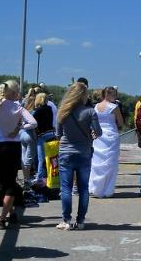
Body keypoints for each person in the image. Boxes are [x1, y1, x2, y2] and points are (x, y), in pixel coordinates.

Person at [0, 80, 37, 230]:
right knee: (11, 182)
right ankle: (3, 217)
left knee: (3, 181)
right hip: (13, 146)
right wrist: (19, 127)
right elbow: (33, 123)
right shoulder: (18, 107)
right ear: (13, 93)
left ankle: (8, 214)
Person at [55, 82, 102, 230]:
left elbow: (58, 134)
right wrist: (90, 134)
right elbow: (98, 132)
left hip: (66, 153)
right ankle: (80, 221)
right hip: (84, 153)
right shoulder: (90, 112)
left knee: (66, 188)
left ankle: (66, 221)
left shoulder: (62, 111)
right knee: (83, 189)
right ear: (83, 96)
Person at [89, 86, 124, 197]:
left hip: (98, 136)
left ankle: (95, 188)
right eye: (114, 94)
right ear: (108, 94)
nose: (115, 97)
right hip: (111, 135)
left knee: (97, 161)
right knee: (110, 163)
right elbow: (121, 123)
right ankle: (107, 190)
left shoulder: (96, 107)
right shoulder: (114, 107)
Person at [32, 92, 55, 185]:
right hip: (51, 134)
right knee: (51, 157)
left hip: (42, 135)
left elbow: (32, 121)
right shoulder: (49, 108)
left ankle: (39, 178)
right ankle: (51, 176)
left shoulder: (39, 110)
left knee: (41, 159)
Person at [20, 87, 38, 190]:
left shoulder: (23, 111)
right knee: (29, 159)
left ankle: (25, 179)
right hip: (30, 135)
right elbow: (34, 124)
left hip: (21, 135)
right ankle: (27, 181)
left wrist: (22, 127)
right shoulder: (34, 112)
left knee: (23, 158)